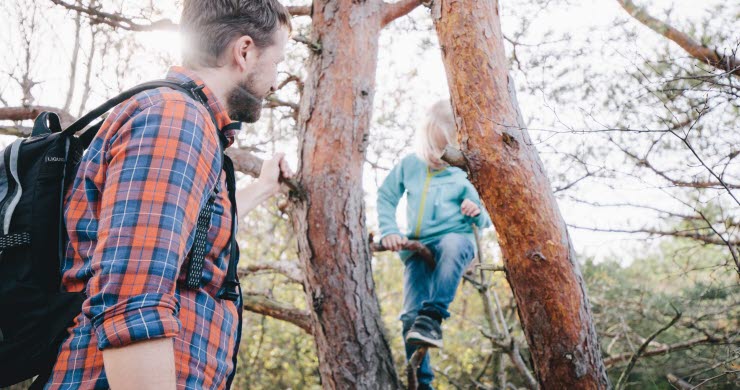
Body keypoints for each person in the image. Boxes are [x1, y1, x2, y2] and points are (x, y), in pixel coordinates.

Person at [44, 1, 293, 389]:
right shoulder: (176, 118)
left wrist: (262, 187)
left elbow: (186, 231)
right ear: (244, 51)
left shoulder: (183, 121)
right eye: (278, 62)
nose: (277, 82)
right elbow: (133, 299)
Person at [377, 99, 492, 389]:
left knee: (453, 246)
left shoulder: (466, 170)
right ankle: (421, 382)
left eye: (447, 151)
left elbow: (489, 216)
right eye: (435, 149)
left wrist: (475, 209)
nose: (441, 158)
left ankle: (433, 315)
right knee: (409, 317)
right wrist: (390, 230)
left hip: (458, 241)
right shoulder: (410, 165)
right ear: (424, 140)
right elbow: (386, 196)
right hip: (418, 245)